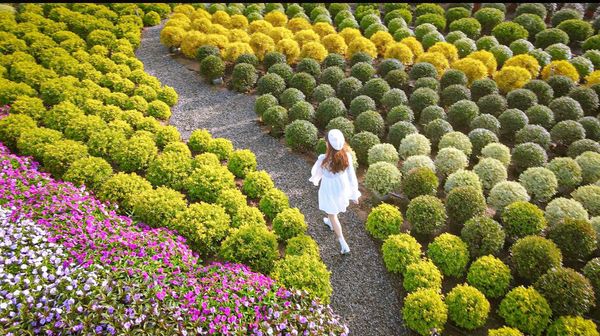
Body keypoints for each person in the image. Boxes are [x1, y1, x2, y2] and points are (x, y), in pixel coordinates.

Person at [309, 129, 361, 254]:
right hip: (341, 187)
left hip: (329, 189)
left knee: (332, 213)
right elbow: (351, 176)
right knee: (332, 209)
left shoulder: (323, 159)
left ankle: (343, 243)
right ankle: (330, 222)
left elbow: (317, 173)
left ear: (328, 144)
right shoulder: (347, 156)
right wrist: (354, 193)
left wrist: (315, 180)